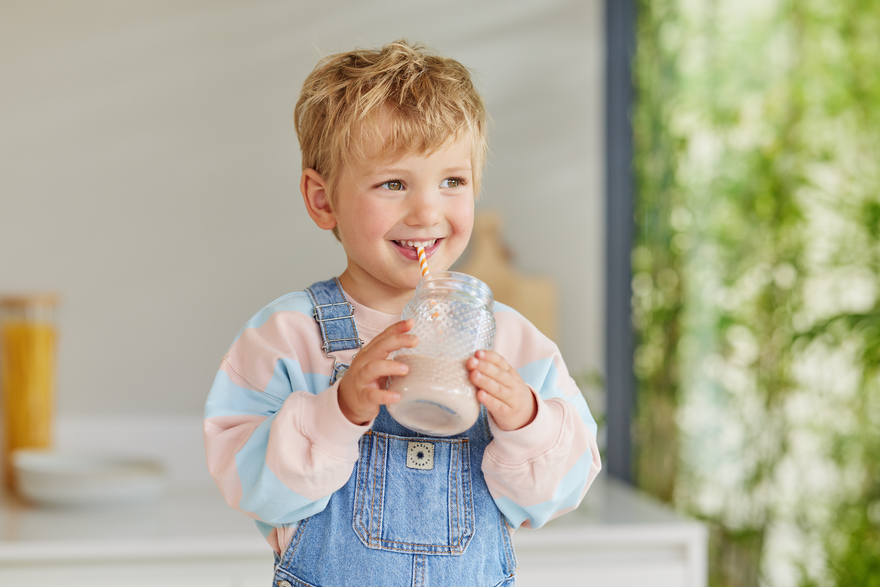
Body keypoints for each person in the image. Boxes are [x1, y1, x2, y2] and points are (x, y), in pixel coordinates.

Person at [204, 39, 601, 587]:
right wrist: (337, 411)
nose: (427, 211)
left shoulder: (510, 340)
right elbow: (249, 485)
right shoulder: (289, 338)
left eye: (452, 182)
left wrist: (527, 420)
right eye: (393, 184)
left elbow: (559, 492)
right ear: (323, 201)